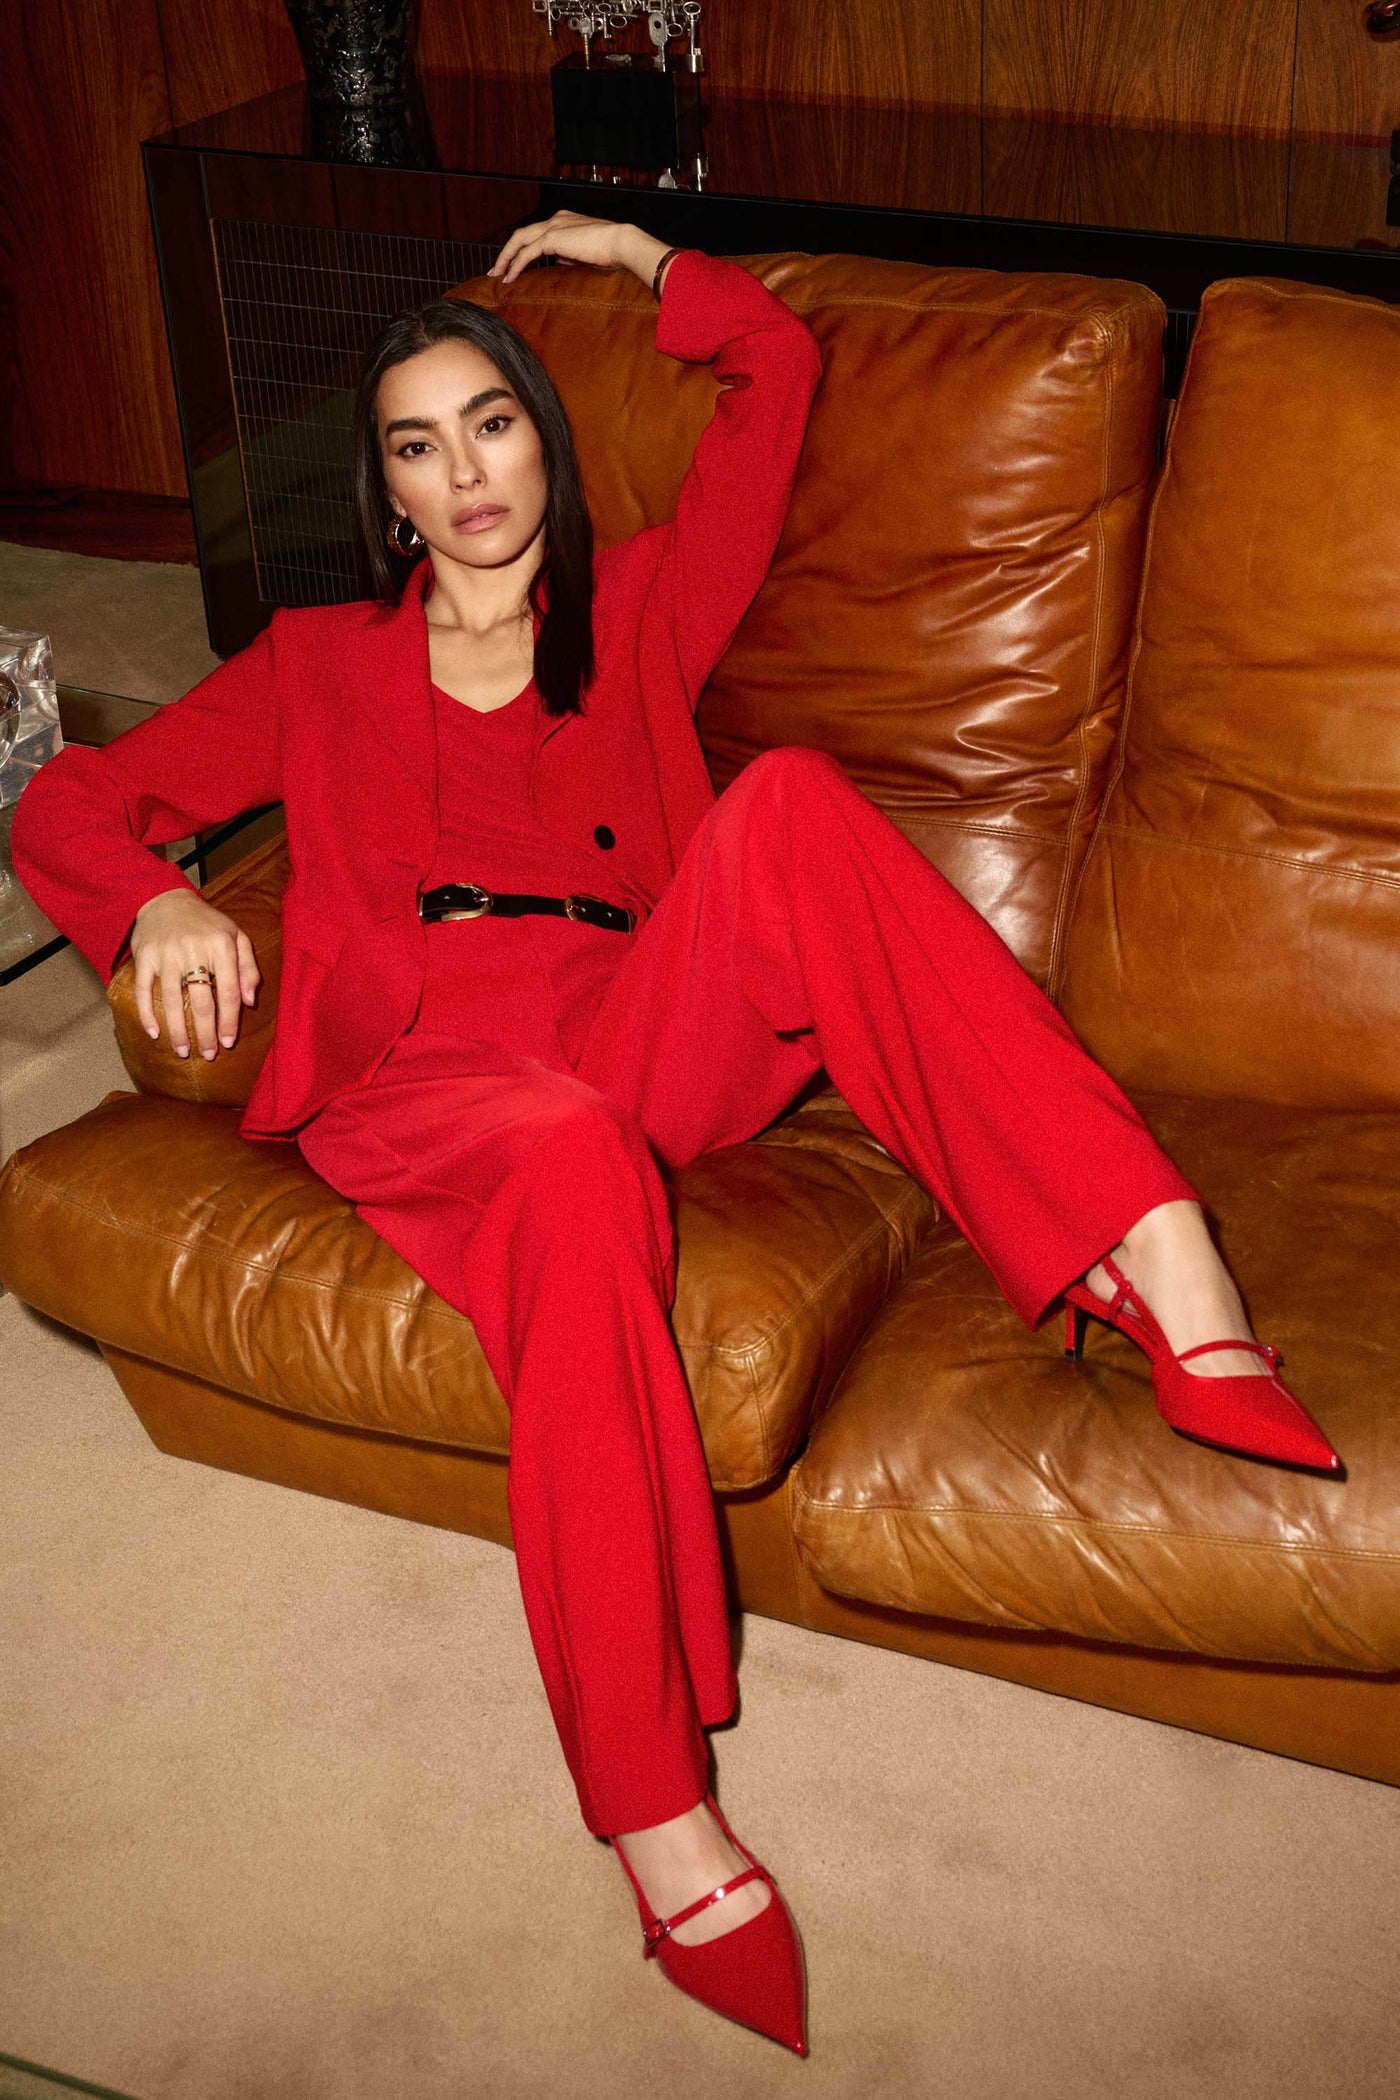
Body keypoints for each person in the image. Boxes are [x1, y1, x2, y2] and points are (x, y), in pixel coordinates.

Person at [9, 213, 1341, 2057]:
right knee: (564, 1153)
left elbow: (774, 375)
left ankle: (1162, 1253)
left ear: (544, 441)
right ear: (387, 495)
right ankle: (651, 1805)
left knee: (786, 801)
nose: (467, 473)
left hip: (635, 1024)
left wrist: (646, 257)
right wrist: (154, 900)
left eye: (493, 423)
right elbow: (67, 803)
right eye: (418, 445)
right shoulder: (316, 663)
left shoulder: (636, 607)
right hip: (430, 1075)